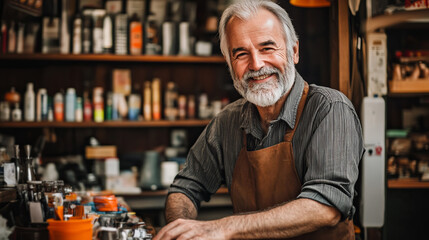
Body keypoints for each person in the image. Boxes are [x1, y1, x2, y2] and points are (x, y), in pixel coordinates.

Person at [154, 0, 364, 239]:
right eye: (241, 53)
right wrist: (181, 228)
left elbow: (325, 207)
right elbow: (185, 187)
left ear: (294, 51)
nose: (256, 64)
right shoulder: (228, 122)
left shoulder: (329, 109)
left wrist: (222, 228)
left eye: (267, 48)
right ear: (230, 64)